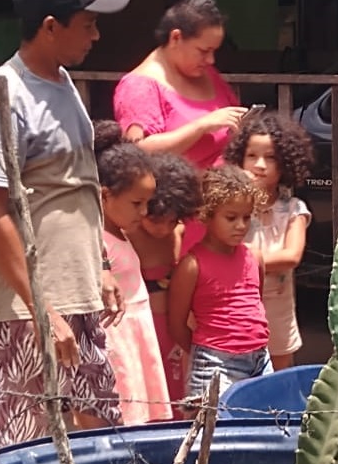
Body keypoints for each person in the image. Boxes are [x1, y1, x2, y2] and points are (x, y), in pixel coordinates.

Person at [0, 0, 130, 447]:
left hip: (75, 296)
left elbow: (74, 187)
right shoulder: (4, 98)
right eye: (88, 23)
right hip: (22, 311)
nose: (96, 35)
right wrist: (43, 310)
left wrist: (100, 265)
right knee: (25, 449)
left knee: (101, 437)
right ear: (51, 26)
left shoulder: (62, 84)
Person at [113, 0, 247, 169]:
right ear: (176, 38)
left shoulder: (207, 72)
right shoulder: (139, 86)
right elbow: (137, 153)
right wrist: (201, 126)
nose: (211, 60)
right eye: (203, 51)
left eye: (214, 51)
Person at [168, 165, 272, 399]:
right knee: (216, 422)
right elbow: (177, 325)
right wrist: (207, 351)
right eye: (231, 218)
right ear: (207, 214)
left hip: (261, 359)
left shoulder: (254, 256)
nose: (241, 225)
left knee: (264, 421)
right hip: (214, 365)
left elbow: (256, 306)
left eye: (247, 217)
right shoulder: (192, 265)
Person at [94, 120, 173, 424]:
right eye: (136, 203)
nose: (143, 212)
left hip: (138, 336)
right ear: (104, 196)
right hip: (119, 342)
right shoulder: (97, 241)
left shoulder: (122, 233)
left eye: (147, 203)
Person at [223, 113, 314, 370]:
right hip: (235, 308)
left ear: (285, 164)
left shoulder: (294, 209)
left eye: (270, 157)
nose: (260, 165)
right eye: (251, 156)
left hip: (277, 311)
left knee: (279, 371)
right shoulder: (229, 207)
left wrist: (242, 260)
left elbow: (291, 256)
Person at [126, 151, 203, 402]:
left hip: (172, 326)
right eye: (156, 220)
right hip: (140, 325)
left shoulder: (177, 232)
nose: (164, 229)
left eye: (172, 221)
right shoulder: (128, 235)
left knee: (173, 391)